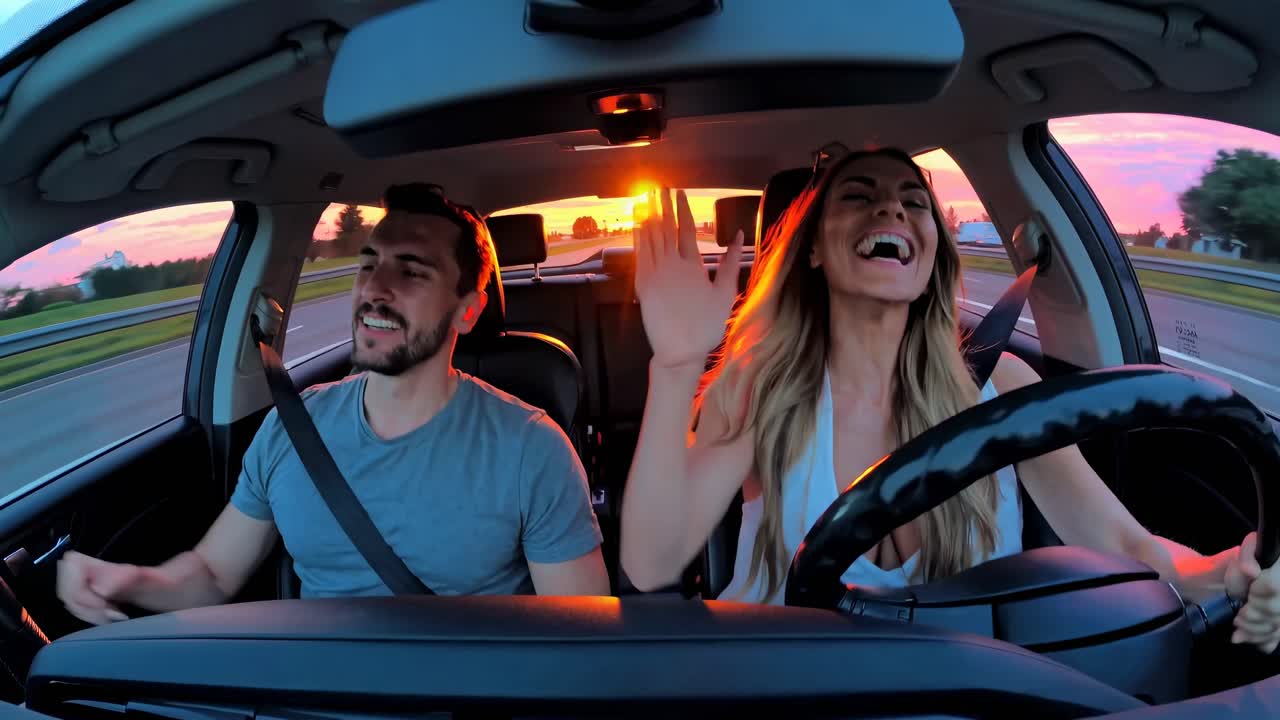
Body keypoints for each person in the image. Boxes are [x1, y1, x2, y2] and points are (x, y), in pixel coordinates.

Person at [619, 148, 1280, 653]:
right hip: (797, 688)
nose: (892, 211)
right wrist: (675, 366)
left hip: (967, 691)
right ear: (814, 248)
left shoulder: (1002, 387)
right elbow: (651, 564)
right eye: (859, 195)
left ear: (931, 251)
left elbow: (1123, 543)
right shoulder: (762, 389)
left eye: (914, 202)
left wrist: (1229, 571)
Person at [58, 184, 608, 624]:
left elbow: (579, 639)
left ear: (468, 311)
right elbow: (213, 574)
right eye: (368, 264)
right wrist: (130, 581)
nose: (375, 290)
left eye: (411, 271)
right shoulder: (291, 428)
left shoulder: (532, 449)